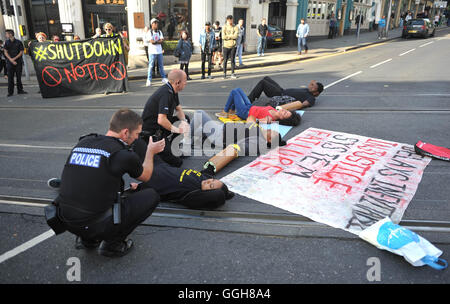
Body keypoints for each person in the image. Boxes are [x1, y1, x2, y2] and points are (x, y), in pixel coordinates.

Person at [50, 108, 165, 257]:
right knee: (151, 196)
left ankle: (87, 240)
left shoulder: (84, 141)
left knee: (99, 187)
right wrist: (150, 152)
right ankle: (113, 245)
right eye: (136, 134)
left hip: (65, 219)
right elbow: (146, 175)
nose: (137, 138)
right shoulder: (122, 154)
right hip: (94, 224)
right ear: (125, 133)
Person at [130, 156, 234, 210]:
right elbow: (208, 172)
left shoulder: (191, 194)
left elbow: (216, 196)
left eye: (210, 185)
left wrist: (139, 187)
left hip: (147, 174)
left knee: (126, 154)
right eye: (212, 180)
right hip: (159, 164)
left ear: (208, 194)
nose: (208, 181)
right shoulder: (204, 179)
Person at [140, 69, 190, 168]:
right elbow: (161, 120)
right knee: (177, 162)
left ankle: (172, 146)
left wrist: (184, 122)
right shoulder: (165, 94)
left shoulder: (173, 90)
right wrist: (178, 130)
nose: (186, 83)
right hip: (152, 133)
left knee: (185, 119)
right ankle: (154, 152)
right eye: (185, 80)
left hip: (161, 127)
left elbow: (178, 109)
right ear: (177, 82)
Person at [189, 110, 285, 156]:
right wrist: (257, 121)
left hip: (220, 134)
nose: (272, 130)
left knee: (199, 114)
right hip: (221, 128)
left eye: (274, 132)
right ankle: (195, 139)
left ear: (270, 140)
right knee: (197, 129)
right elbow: (250, 117)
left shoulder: (259, 141)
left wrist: (228, 148)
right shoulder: (259, 130)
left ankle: (187, 141)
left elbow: (241, 147)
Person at [215, 88, 302, 127]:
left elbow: (256, 122)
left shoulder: (270, 119)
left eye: (285, 114)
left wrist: (261, 121)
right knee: (238, 90)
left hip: (245, 112)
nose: (284, 111)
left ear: (282, 119)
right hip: (250, 106)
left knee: (234, 92)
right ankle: (232, 110)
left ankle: (225, 112)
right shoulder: (277, 110)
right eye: (286, 111)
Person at [247, 76, 324, 108]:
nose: (311, 86)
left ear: (316, 93)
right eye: (312, 85)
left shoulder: (311, 98)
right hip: (282, 90)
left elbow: (302, 105)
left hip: (280, 95)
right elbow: (312, 83)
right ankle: (252, 97)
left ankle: (248, 100)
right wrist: (313, 83)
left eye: (313, 87)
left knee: (263, 83)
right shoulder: (308, 90)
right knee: (266, 78)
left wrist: (285, 107)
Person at [4, 30, 27, 97]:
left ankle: (20, 90)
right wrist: (11, 60)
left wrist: (14, 59)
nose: (6, 35)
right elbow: (5, 52)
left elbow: (21, 52)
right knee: (10, 78)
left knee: (18, 77)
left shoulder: (19, 42)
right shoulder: (6, 42)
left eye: (7, 34)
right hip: (10, 62)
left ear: (10, 34)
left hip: (18, 62)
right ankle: (10, 92)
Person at [146, 18, 168, 87]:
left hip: (159, 51)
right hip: (152, 52)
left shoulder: (159, 32)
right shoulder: (149, 32)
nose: (156, 24)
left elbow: (162, 40)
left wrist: (156, 42)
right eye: (154, 23)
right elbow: (152, 42)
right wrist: (157, 41)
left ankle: (164, 78)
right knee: (151, 66)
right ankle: (149, 80)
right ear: (151, 24)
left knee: (161, 66)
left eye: (157, 23)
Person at [222, 15, 239, 79]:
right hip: (226, 46)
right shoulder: (224, 27)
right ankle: (224, 73)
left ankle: (232, 73)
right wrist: (231, 36)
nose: (230, 21)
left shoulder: (236, 27)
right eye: (229, 20)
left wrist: (228, 36)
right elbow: (223, 37)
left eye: (231, 19)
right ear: (227, 20)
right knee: (225, 60)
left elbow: (236, 36)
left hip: (233, 46)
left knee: (232, 60)